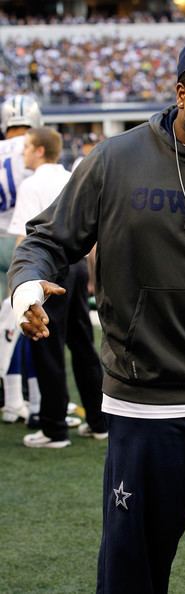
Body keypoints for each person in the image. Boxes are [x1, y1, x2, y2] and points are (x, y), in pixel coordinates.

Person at [8, 34, 185, 593]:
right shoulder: (116, 159)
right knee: (130, 571)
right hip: (145, 403)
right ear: (181, 91)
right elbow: (45, 239)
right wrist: (26, 290)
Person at [8, 126, 107, 448]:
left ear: (39, 151)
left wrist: (21, 283)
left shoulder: (32, 184)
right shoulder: (70, 177)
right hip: (77, 266)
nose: (23, 154)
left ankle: (54, 429)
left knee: (47, 347)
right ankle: (97, 420)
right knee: (82, 344)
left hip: (47, 273)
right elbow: (90, 236)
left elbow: (28, 241)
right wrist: (91, 275)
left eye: (27, 148)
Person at [0, 94, 42, 425]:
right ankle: (28, 398)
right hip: (24, 243)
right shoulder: (33, 147)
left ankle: (13, 398)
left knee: (5, 325)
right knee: (24, 319)